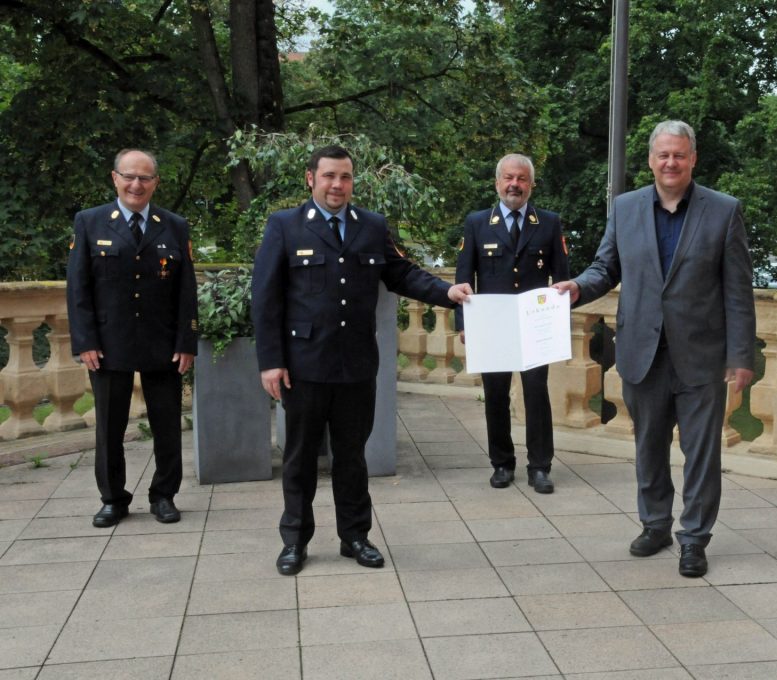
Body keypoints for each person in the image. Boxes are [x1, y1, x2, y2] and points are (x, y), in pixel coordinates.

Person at [252, 145, 473, 576]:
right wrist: (270, 361)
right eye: (330, 176)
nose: (338, 185)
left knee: (352, 457)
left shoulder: (371, 226)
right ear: (310, 178)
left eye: (346, 177)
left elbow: (401, 272)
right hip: (303, 366)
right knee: (299, 458)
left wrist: (446, 292)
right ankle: (295, 540)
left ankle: (355, 536)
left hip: (355, 366)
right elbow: (265, 298)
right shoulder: (285, 226)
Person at [553, 120, 755, 577]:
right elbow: (606, 267)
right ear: (650, 160)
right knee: (648, 446)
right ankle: (655, 524)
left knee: (702, 451)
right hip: (642, 350)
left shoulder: (723, 211)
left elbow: (738, 291)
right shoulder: (625, 209)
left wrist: (741, 356)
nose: (670, 163)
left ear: (693, 159)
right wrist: (576, 288)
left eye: (679, 155)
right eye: (663, 155)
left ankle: (695, 538)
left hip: (701, 355)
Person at [67, 149, 198, 528]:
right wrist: (85, 340)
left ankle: (164, 496)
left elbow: (185, 291)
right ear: (115, 179)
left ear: (155, 182)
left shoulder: (173, 225)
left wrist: (186, 342)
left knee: (167, 425)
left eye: (144, 178)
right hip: (109, 343)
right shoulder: (90, 222)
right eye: (129, 176)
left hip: (163, 343)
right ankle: (113, 499)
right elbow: (79, 288)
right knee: (109, 427)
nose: (136, 184)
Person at [455, 154, 569, 493]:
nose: (514, 185)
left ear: (531, 185)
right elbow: (464, 278)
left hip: (534, 326)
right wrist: (465, 323)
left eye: (521, 179)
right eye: (508, 178)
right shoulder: (477, 223)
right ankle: (502, 463)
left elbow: (561, 279)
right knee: (495, 396)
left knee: (536, 395)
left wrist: (557, 324)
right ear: (497, 183)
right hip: (492, 325)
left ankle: (540, 467)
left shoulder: (548, 223)